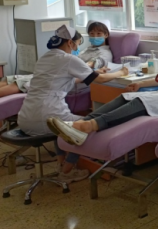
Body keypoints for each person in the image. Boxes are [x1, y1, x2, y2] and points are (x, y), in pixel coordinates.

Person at [17, 25, 128, 183]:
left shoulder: (46, 57)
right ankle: (67, 171)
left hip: (25, 118)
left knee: (60, 126)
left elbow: (61, 79)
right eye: (77, 43)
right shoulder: (68, 59)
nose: (77, 46)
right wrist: (121, 72)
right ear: (70, 42)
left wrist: (91, 74)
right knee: (85, 127)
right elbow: (101, 80)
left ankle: (61, 163)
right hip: (46, 116)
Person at [0, 21, 114, 98]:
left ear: (106, 34)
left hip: (69, 81)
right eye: (92, 34)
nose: (94, 36)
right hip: (59, 75)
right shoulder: (86, 50)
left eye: (98, 33)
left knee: (20, 83)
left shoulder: (105, 53)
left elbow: (92, 65)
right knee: (14, 78)